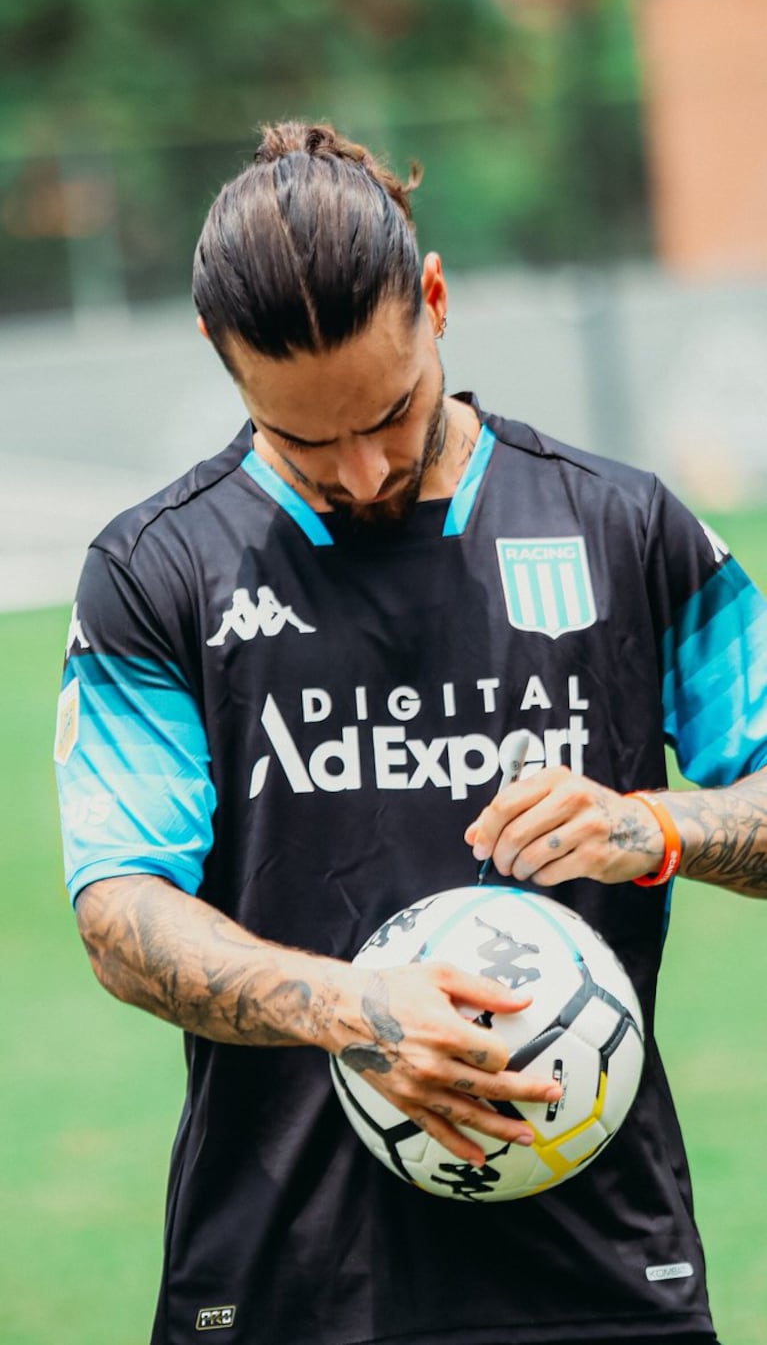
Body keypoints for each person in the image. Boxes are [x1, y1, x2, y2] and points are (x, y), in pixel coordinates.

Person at [54, 121, 767, 1345]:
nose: (365, 465)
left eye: (390, 408)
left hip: (597, 1276)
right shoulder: (158, 572)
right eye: (307, 438)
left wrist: (653, 823)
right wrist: (351, 1006)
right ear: (220, 356)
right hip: (283, 1279)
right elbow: (119, 912)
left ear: (434, 299)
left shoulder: (619, 528)